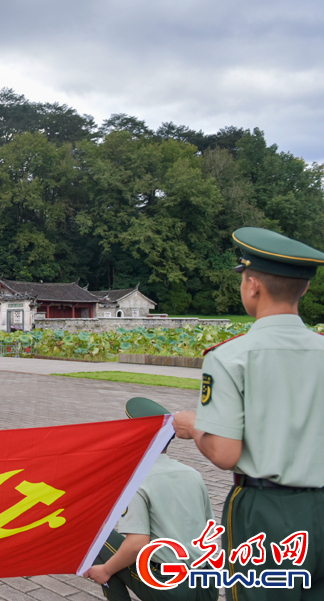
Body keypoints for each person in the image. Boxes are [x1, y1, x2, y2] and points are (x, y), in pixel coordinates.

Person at [172, 227, 324, 601]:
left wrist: (193, 425)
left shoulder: (229, 357)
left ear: (252, 285)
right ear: (303, 288)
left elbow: (225, 454)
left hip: (267, 514)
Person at [85, 397, 217, 601]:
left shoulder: (137, 479)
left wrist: (105, 570)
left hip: (170, 587)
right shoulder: (192, 474)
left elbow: (137, 544)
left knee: (96, 536)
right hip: (207, 583)